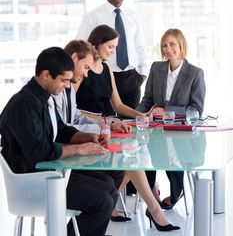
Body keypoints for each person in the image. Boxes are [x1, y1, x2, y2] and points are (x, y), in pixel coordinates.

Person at [0, 47, 123, 236]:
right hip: (33, 181)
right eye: (64, 80)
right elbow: (39, 151)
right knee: (103, 202)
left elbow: (62, 131)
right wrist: (80, 150)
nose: (67, 86)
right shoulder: (23, 104)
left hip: (49, 172)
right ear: (46, 74)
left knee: (109, 187)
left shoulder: (43, 98)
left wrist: (90, 137)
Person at [75, 25, 180, 231]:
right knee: (131, 159)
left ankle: (124, 206)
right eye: (111, 46)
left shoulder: (107, 70)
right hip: (87, 128)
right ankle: (153, 211)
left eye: (115, 47)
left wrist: (143, 116)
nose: (113, 51)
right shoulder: (82, 71)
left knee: (134, 157)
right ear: (97, 44)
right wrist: (105, 120)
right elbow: (72, 112)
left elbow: (119, 106)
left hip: (106, 125)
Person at [136, 28, 206, 210]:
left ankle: (177, 190)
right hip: (155, 129)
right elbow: (147, 99)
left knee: (173, 156)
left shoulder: (195, 73)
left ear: (181, 45)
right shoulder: (156, 68)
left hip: (181, 133)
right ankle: (150, 189)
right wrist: (138, 117)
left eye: (172, 44)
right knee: (144, 155)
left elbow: (196, 110)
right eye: (164, 45)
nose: (168, 49)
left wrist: (167, 111)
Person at [76, 0, 149, 115]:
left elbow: (140, 47)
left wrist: (142, 76)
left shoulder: (133, 16)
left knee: (131, 124)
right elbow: (80, 47)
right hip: (105, 77)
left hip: (131, 79)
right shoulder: (93, 16)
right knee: (108, 122)